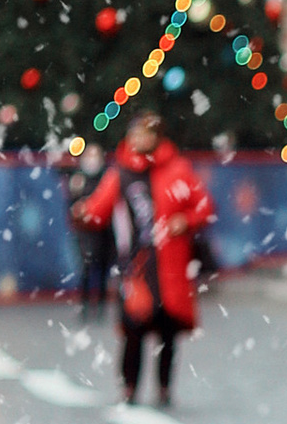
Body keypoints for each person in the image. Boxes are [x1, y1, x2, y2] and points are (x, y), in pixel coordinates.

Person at [82, 121, 215, 408]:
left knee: (168, 330)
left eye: (147, 134)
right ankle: (129, 388)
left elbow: (204, 206)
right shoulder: (120, 174)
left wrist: (186, 220)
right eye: (136, 134)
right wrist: (81, 209)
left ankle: (164, 388)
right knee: (134, 329)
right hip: (136, 267)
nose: (141, 139)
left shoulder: (178, 169)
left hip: (171, 265)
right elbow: (97, 210)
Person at [67, 141, 117, 314]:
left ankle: (101, 306)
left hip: (104, 230)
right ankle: (84, 305)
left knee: (103, 268)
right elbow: (71, 205)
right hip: (85, 232)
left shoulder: (107, 177)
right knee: (86, 268)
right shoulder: (78, 178)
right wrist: (79, 211)